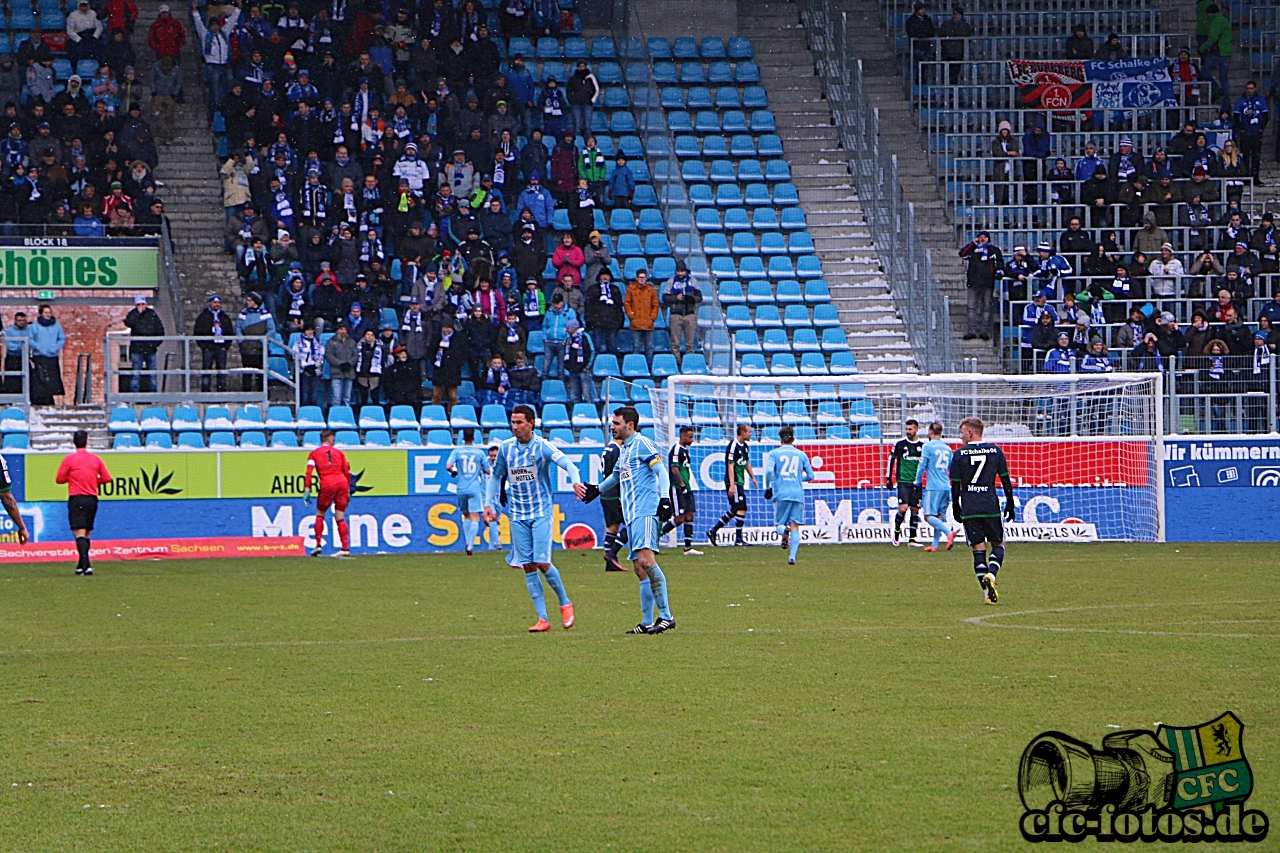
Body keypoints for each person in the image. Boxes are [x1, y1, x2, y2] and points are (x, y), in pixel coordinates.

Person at [484, 404, 582, 633]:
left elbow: (568, 463)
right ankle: (542, 619)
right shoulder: (506, 449)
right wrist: (489, 504)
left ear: (531, 423)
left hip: (540, 512)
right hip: (517, 514)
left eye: (519, 422)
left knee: (542, 562)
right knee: (527, 565)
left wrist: (575, 481)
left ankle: (565, 602)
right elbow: (496, 477)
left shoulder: (542, 447)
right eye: (513, 422)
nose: (515, 426)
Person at [589, 406, 676, 635]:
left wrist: (665, 498)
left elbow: (661, 471)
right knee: (639, 568)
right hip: (632, 516)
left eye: (616, 423)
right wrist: (596, 490)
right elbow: (616, 476)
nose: (613, 427)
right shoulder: (625, 450)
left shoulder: (642, 443)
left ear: (630, 424)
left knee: (647, 562)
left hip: (646, 512)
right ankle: (647, 622)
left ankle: (666, 616)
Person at [949, 416, 1016, 605]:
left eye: (962, 433)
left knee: (978, 550)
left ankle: (987, 595)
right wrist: (1010, 502)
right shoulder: (995, 451)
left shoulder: (960, 455)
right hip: (990, 505)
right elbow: (1005, 479)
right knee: (999, 544)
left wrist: (956, 506)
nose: (961, 437)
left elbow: (955, 485)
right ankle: (992, 575)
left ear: (970, 432)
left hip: (970, 508)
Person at [55, 430, 110, 576]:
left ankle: (86, 565)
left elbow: (59, 479)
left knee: (78, 532)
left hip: (77, 498)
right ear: (87, 441)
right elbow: (107, 478)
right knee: (86, 532)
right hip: (92, 498)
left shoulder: (69, 459)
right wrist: (93, 480)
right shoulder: (95, 459)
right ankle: (81, 565)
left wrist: (73, 478)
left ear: (74, 442)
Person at [764, 426, 814, 566]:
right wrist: (798, 478)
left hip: (782, 493)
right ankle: (792, 557)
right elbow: (811, 476)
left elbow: (768, 472)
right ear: (793, 438)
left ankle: (783, 531)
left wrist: (768, 487)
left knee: (779, 524)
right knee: (795, 526)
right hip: (797, 494)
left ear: (780, 439)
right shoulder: (801, 454)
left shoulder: (775, 453)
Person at [303, 429, 353, 557]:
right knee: (340, 516)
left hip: (327, 483)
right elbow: (347, 472)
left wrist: (307, 490)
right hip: (342, 482)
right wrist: (347, 490)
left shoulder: (314, 454)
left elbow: (309, 472)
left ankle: (318, 545)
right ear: (330, 439)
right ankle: (345, 548)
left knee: (320, 514)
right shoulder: (340, 453)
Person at [706, 424, 755, 547]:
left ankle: (713, 530)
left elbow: (746, 462)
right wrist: (732, 485)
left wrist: (753, 476)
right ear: (742, 433)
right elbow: (730, 466)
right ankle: (738, 539)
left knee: (735, 509)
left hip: (740, 481)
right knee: (741, 507)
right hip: (734, 481)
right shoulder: (733, 446)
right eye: (749, 432)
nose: (751, 434)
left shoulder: (745, 446)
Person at [446, 428, 491, 556]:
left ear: (463, 438)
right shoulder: (479, 453)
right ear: (474, 438)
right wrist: (480, 468)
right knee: (474, 516)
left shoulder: (457, 452)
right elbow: (487, 470)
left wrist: (454, 472)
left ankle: (467, 541)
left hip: (461, 488)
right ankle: (471, 544)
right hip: (474, 487)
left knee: (465, 515)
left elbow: (448, 466)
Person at [914, 422, 956, 552]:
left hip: (933, 487)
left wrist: (917, 481)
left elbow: (922, 465)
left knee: (928, 516)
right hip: (946, 486)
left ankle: (948, 533)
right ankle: (935, 544)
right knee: (938, 516)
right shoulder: (947, 448)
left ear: (930, 432)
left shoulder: (928, 446)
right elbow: (951, 468)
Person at [663, 426, 702, 557]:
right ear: (682, 436)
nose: (692, 440)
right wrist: (681, 485)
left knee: (690, 515)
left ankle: (688, 547)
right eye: (690, 437)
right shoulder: (676, 450)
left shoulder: (685, 451)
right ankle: (656, 537)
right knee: (679, 518)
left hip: (687, 487)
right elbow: (674, 469)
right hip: (677, 488)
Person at [886, 419, 924, 547]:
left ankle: (912, 539)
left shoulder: (923, 446)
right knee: (903, 508)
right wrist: (888, 478)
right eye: (906, 429)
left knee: (915, 509)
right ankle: (897, 531)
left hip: (916, 483)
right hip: (903, 481)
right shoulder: (900, 444)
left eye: (910, 429)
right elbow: (891, 459)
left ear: (916, 429)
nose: (908, 432)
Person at [958, 230, 1002, 340]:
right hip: (973, 283)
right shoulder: (972, 249)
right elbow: (962, 254)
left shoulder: (993, 250)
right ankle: (971, 330)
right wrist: (972, 243)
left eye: (984, 237)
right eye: (980, 237)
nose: (982, 239)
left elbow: (999, 264)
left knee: (986, 307)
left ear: (988, 239)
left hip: (987, 283)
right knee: (971, 307)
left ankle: (984, 330)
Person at [123, 294, 164, 392]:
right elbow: (128, 323)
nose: (141, 306)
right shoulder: (133, 314)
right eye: (138, 304)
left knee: (152, 375)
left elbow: (160, 330)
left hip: (150, 349)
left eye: (143, 304)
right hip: (137, 349)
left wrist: (154, 344)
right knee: (135, 375)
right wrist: (138, 313)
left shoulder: (152, 314)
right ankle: (134, 398)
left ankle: (154, 398)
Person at [663, 260, 703, 358]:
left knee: (690, 343)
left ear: (686, 271)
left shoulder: (693, 281)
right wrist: (676, 298)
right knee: (675, 343)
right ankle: (676, 362)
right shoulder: (671, 281)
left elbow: (699, 297)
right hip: (676, 314)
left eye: (682, 271)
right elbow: (665, 298)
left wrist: (690, 298)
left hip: (690, 314)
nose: (680, 273)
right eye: (678, 271)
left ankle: (689, 362)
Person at [599, 432, 627, 572]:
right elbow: (618, 475)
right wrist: (622, 496)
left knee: (612, 527)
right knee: (632, 524)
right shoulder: (618, 450)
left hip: (605, 493)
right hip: (614, 493)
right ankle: (612, 553)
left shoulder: (607, 448)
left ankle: (610, 564)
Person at [28, 303, 65, 406]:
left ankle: (51, 400)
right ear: (41, 314)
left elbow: (61, 338)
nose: (48, 314)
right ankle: (41, 400)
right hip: (39, 356)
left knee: (52, 380)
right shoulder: (35, 326)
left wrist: (55, 348)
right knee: (40, 379)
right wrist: (40, 348)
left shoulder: (57, 325)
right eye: (46, 312)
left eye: (49, 312)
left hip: (52, 356)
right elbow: (30, 340)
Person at [624, 267, 658, 367]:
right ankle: (637, 366)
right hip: (636, 322)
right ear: (636, 278)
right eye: (640, 277)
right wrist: (632, 316)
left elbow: (655, 305)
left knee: (649, 347)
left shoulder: (651, 290)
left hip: (648, 323)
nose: (642, 279)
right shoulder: (631, 289)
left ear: (646, 278)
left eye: (643, 277)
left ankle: (649, 366)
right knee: (636, 346)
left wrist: (652, 318)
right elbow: (627, 303)